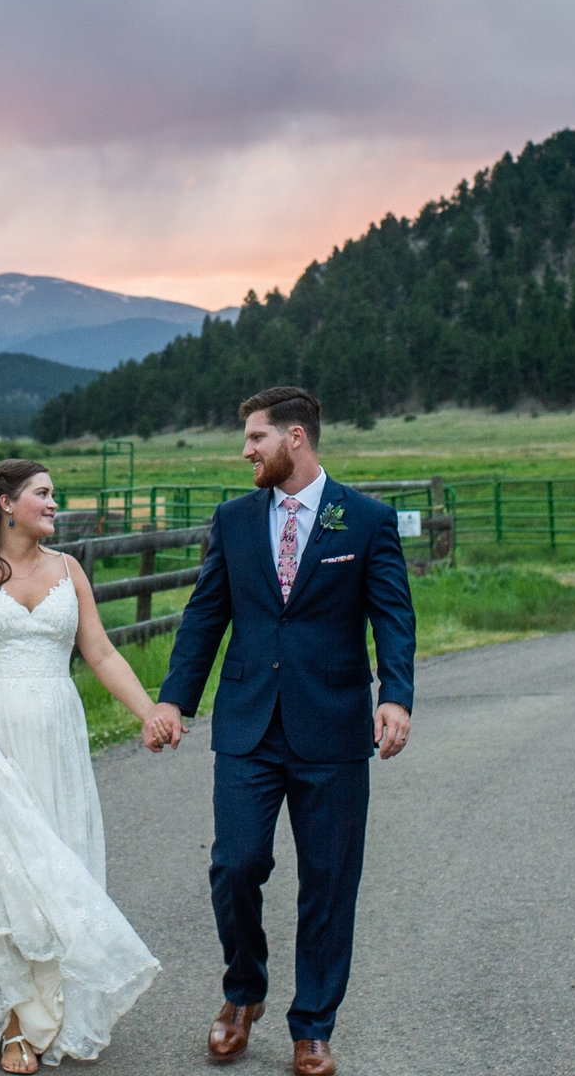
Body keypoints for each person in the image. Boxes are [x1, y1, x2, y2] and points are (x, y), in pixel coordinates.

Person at [139, 387, 416, 1076]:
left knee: (329, 880)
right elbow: (206, 616)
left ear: (296, 437)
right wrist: (175, 701)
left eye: (256, 438)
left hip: (333, 725)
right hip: (247, 725)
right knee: (236, 864)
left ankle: (313, 1025)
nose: (246, 451)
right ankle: (243, 993)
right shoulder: (233, 520)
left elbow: (394, 617)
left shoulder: (367, 520)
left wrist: (397, 697)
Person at [0, 459, 163, 1071]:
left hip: (57, 738)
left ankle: (51, 1007)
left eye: (54, 494)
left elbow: (102, 653)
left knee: (57, 867)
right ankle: (11, 1023)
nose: (55, 504)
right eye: (43, 494)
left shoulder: (69, 570)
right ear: (6, 503)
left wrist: (148, 712)